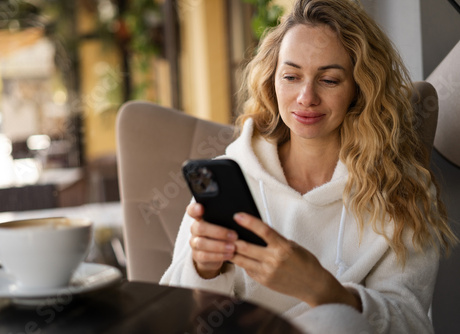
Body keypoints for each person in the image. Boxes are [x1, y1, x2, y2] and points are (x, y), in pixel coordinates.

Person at [160, 0, 457, 332]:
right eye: (291, 76)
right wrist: (203, 269)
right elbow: (172, 315)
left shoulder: (402, 191)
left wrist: (323, 290)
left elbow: (411, 324)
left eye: (329, 80)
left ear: (360, 89)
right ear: (272, 80)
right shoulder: (231, 176)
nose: (306, 97)